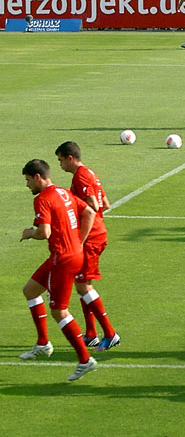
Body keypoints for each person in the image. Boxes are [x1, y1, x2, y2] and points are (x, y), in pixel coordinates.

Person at [19, 159, 98, 381]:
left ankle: (85, 360)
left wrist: (29, 233)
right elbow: (90, 213)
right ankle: (43, 343)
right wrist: (79, 242)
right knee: (30, 291)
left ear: (37, 177)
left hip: (62, 258)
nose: (27, 186)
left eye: (27, 180)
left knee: (59, 311)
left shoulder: (43, 199)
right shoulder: (63, 192)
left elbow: (43, 232)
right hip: (70, 253)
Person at [54, 142, 121, 352]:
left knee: (84, 286)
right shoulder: (90, 173)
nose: (60, 165)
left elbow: (93, 205)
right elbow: (106, 204)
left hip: (91, 238)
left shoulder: (81, 176)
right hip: (97, 234)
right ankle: (91, 334)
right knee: (81, 284)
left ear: (70, 158)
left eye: (61, 160)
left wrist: (80, 239)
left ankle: (110, 334)